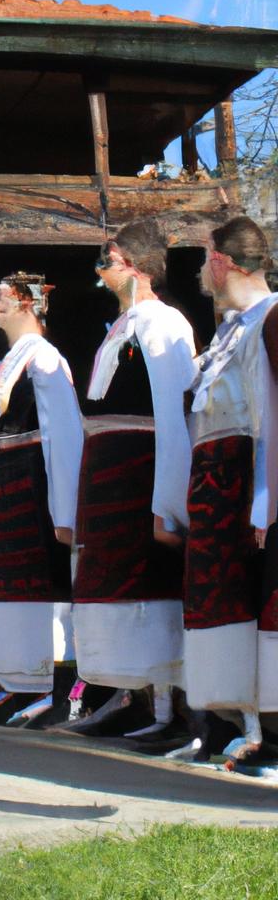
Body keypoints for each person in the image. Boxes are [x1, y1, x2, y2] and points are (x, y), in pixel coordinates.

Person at [73, 220, 196, 737]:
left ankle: (170, 713)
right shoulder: (120, 330)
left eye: (111, 259)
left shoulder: (162, 324)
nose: (102, 270)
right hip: (110, 486)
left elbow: (172, 414)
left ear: (140, 268)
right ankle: (136, 700)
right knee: (120, 596)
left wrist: (167, 501)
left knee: (150, 589)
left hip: (140, 477)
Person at [0, 273, 84, 715]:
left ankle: (49, 689)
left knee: (40, 586)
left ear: (25, 303)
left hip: (33, 488)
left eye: (2, 294)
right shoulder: (7, 363)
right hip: (3, 487)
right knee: (7, 585)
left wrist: (65, 507)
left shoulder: (44, 359)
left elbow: (64, 433)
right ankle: (15, 679)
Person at [185, 216, 278, 755]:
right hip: (215, 490)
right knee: (220, 610)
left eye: (204, 258)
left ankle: (267, 733)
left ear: (222, 261)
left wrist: (263, 504)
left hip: (247, 486)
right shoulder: (228, 330)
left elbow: (269, 418)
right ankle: (237, 725)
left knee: (256, 608)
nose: (201, 269)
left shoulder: (270, 319)